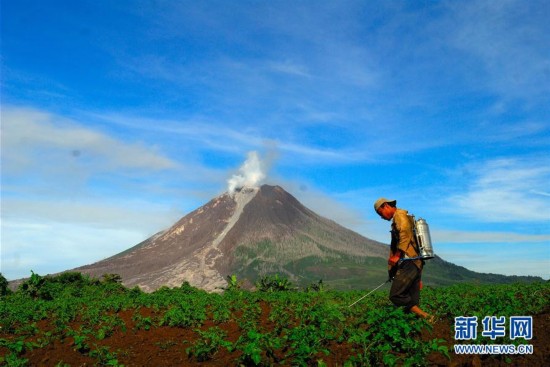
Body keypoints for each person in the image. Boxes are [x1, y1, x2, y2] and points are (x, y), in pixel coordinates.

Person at [374, 197, 433, 321]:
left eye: (380, 213)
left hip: (409, 262)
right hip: (416, 263)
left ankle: (425, 316)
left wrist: (397, 256)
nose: (381, 217)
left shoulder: (400, 216)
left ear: (386, 206)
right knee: (412, 300)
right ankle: (417, 328)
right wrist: (417, 277)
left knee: (396, 295)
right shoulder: (404, 217)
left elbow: (405, 235)